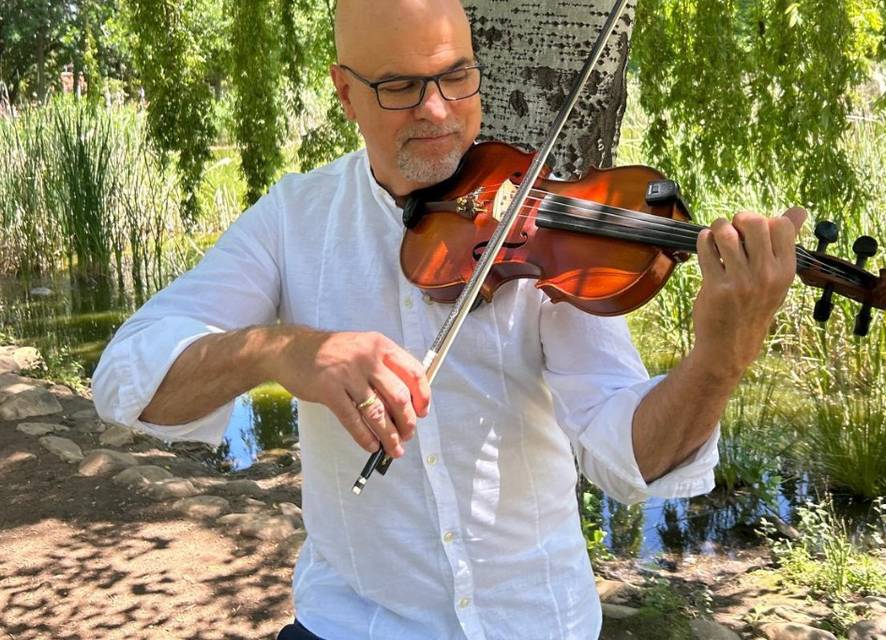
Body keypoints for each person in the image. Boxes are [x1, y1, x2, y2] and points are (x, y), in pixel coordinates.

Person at [92, 1, 805, 638]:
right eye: (400, 87)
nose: (437, 110)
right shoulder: (294, 220)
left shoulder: (546, 230)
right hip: (353, 625)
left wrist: (717, 362)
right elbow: (129, 378)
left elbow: (628, 461)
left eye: (456, 77)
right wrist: (281, 350)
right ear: (345, 92)